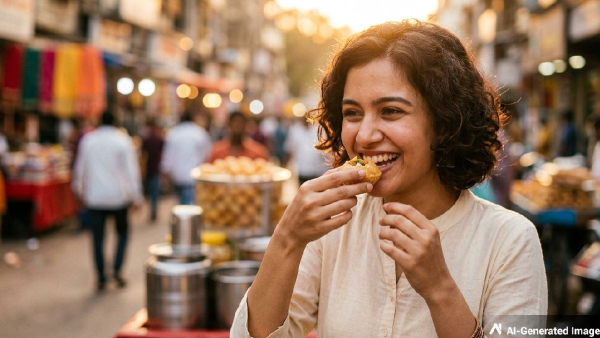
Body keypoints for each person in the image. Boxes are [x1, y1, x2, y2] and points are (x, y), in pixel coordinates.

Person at [231, 20, 547, 338]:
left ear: (444, 122)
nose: (365, 136)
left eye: (391, 111)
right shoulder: (333, 226)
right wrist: (287, 239)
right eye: (353, 113)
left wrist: (439, 289)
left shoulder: (510, 241)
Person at [72, 112, 143, 291]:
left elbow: (80, 168)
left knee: (97, 238)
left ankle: (101, 276)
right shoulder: (123, 140)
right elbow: (131, 171)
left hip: (95, 197)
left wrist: (78, 190)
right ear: (116, 122)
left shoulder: (89, 141)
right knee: (123, 234)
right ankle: (117, 269)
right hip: (118, 197)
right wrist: (137, 196)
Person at [160, 111, 212, 205]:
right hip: (194, 176)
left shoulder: (173, 133)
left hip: (177, 176)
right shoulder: (200, 133)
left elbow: (167, 156)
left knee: (182, 203)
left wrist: (166, 174)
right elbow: (207, 155)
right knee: (189, 205)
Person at [284, 117, 328, 185]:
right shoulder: (295, 129)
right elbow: (290, 148)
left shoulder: (318, 128)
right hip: (302, 170)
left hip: (317, 170)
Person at [141, 118, 164, 222]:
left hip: (149, 169)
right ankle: (153, 210)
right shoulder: (159, 139)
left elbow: (142, 154)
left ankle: (152, 210)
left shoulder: (147, 139)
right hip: (155, 169)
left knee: (151, 192)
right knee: (154, 192)